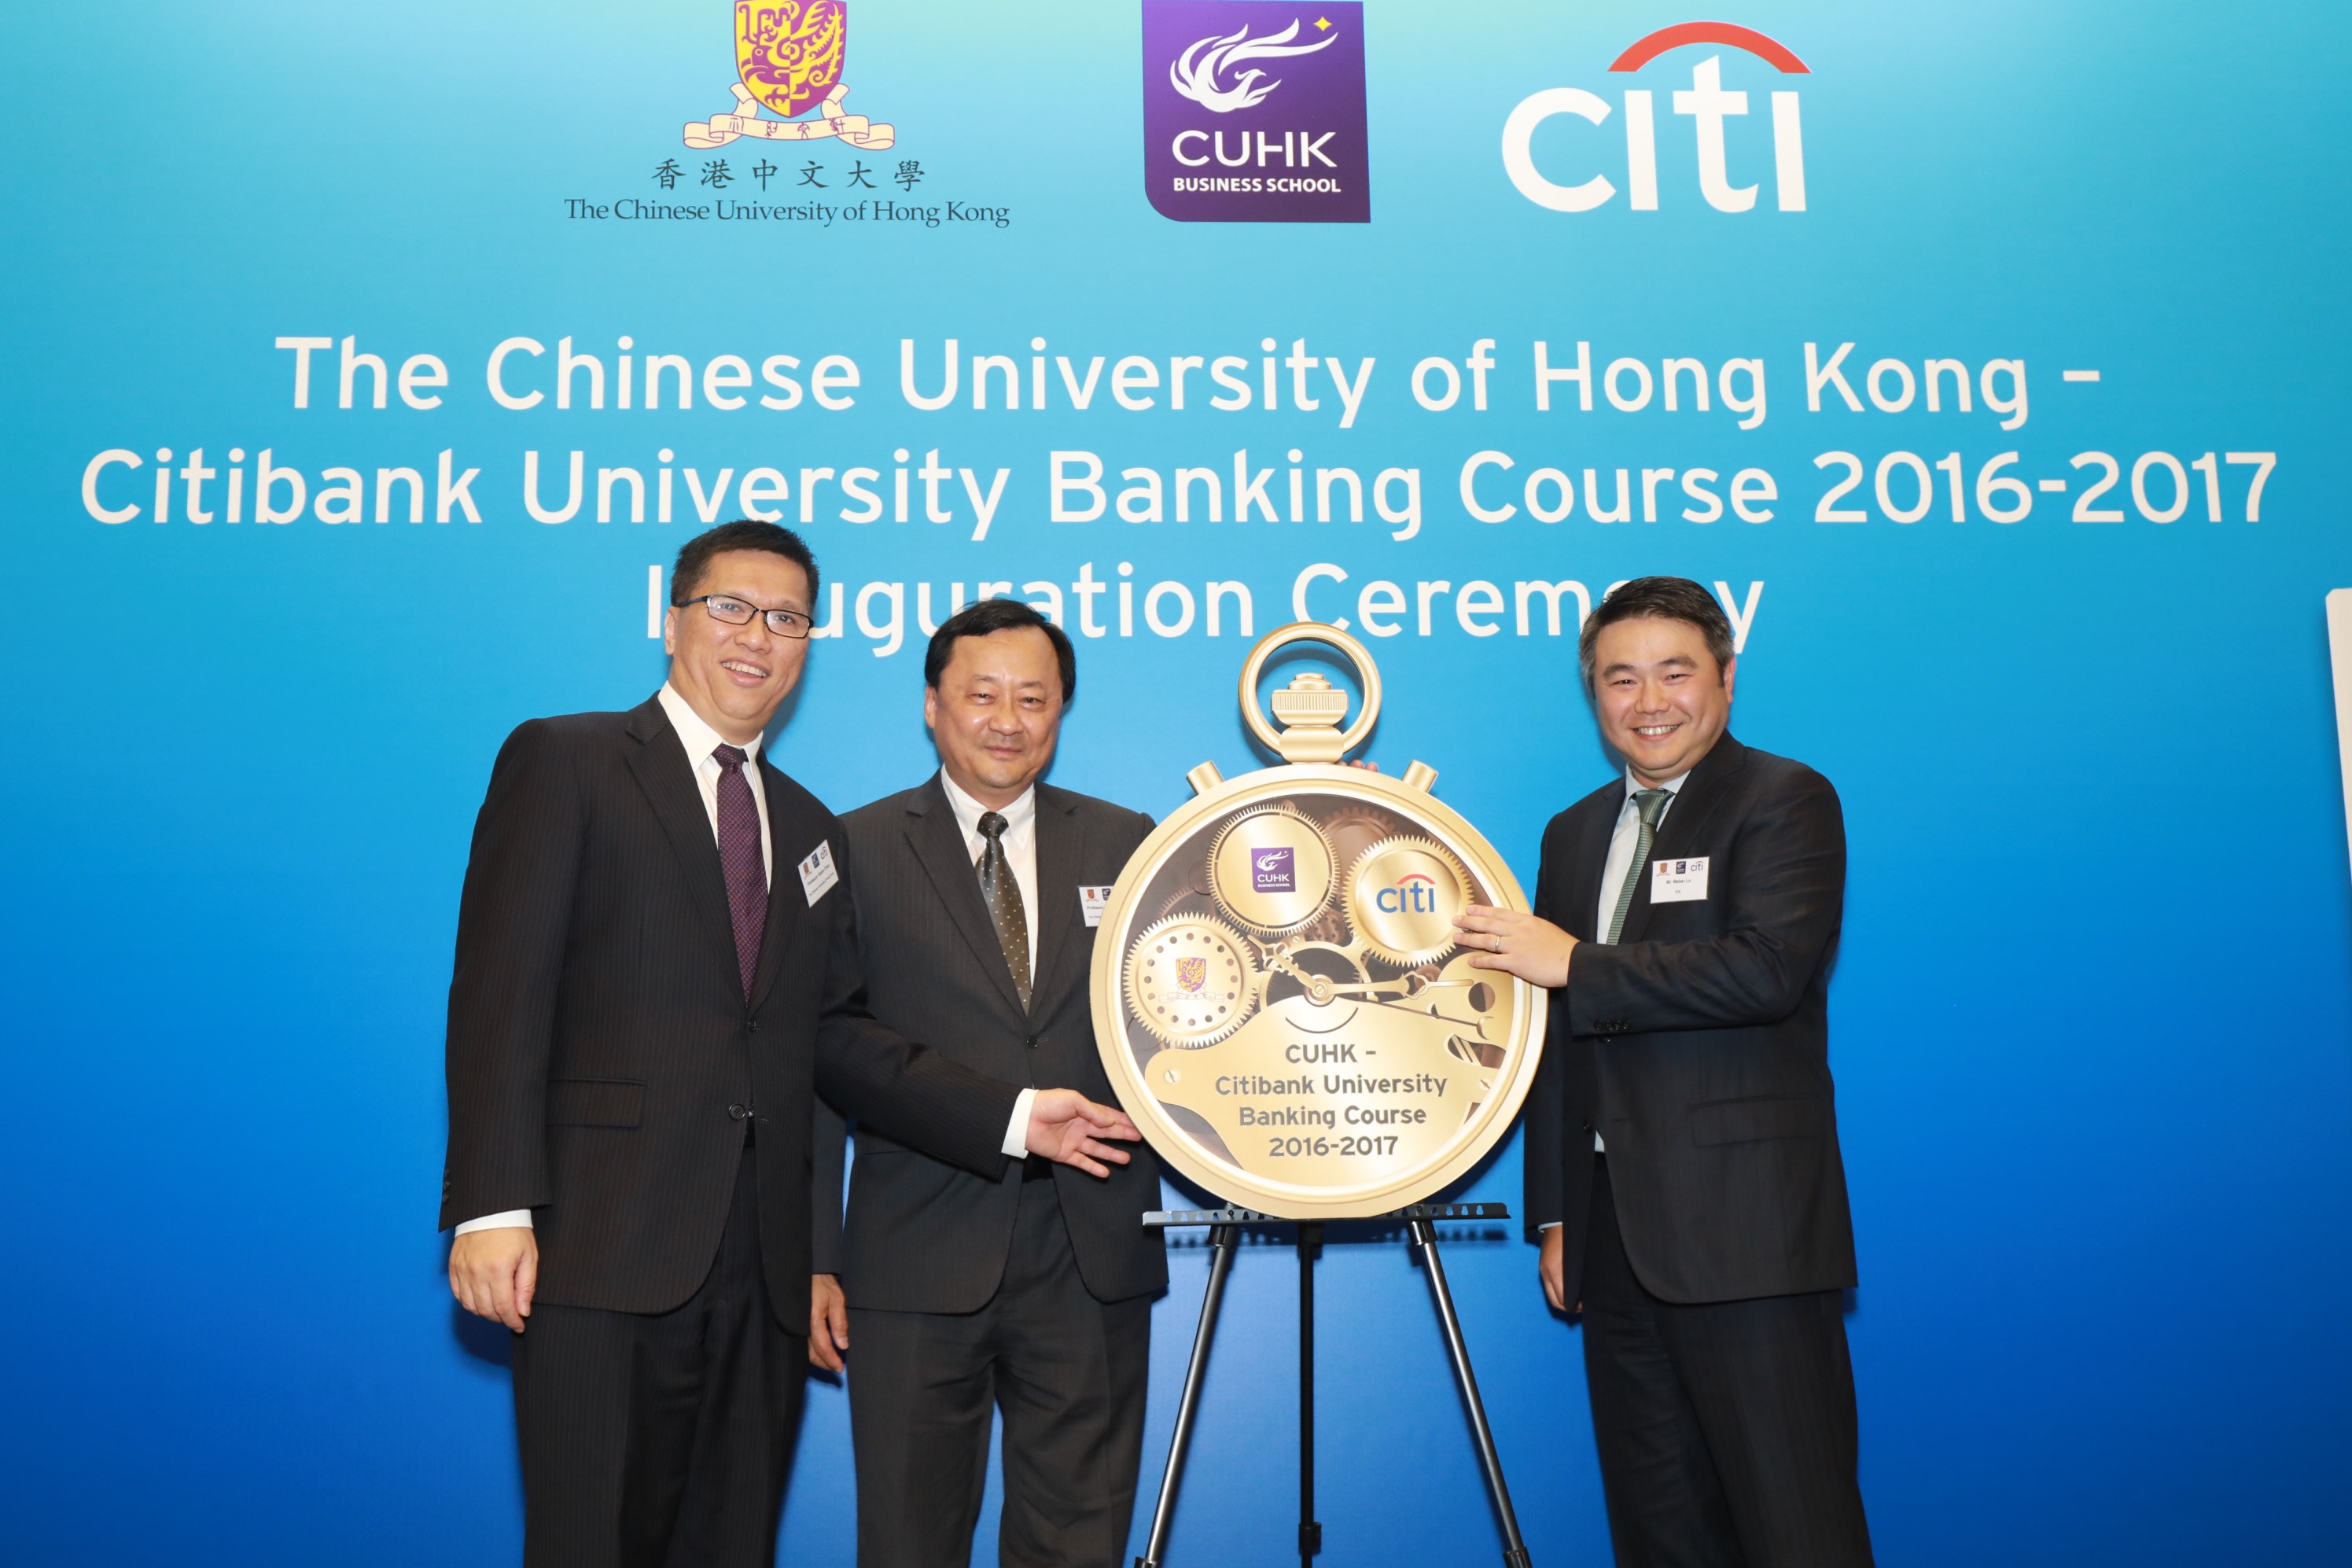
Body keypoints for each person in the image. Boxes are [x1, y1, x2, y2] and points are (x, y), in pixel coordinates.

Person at [440, 521, 1142, 1568]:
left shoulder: (809, 826)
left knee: (731, 1545)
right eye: (732, 607)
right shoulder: (569, 757)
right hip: (599, 1244)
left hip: (756, 1270)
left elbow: (822, 1040)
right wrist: (492, 1204)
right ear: (673, 619)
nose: (757, 637)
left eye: (787, 619)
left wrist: (1006, 1116)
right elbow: (499, 992)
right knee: (591, 1539)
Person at [1455, 576, 1872, 1568]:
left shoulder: (1784, 798)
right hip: (1612, 1242)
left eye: (1675, 672)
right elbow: (1559, 1036)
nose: (1648, 701)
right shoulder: (1573, 830)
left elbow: (1767, 968)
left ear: (1725, 678)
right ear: (1593, 694)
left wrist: (1577, 961)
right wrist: (1558, 1210)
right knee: (1660, 1534)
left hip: (1749, 1235)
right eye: (1619, 678)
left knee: (1796, 1529)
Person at [811, 598, 1166, 1568]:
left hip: (1090, 1252)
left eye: (1034, 697)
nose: (1008, 719)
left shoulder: (1132, 843)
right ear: (933, 705)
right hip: (915, 1254)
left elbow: (1187, 1017)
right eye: (982, 694)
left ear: (1061, 712)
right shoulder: (855, 845)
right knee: (908, 1541)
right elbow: (821, 1048)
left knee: (1078, 1541)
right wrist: (813, 1255)